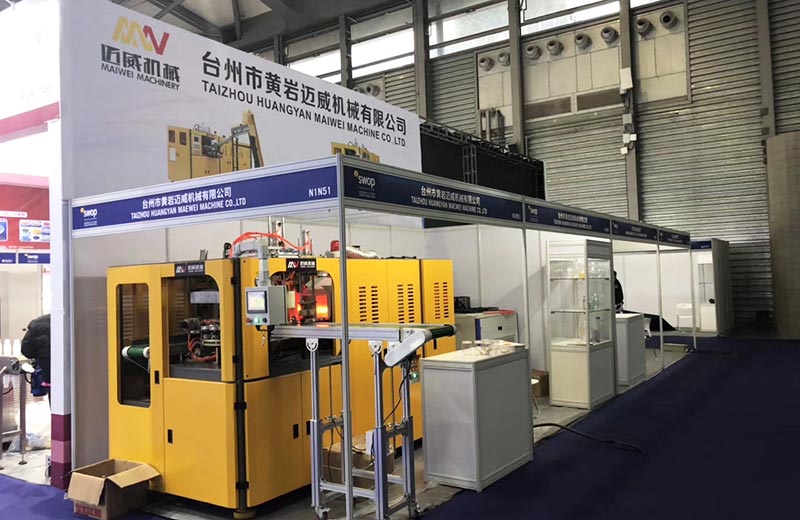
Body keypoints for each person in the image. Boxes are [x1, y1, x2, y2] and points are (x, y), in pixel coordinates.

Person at [20, 314, 51, 403]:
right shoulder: (73, 319)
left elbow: (26, 351)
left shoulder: (38, 322)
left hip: (48, 374)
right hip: (75, 375)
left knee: (56, 405)